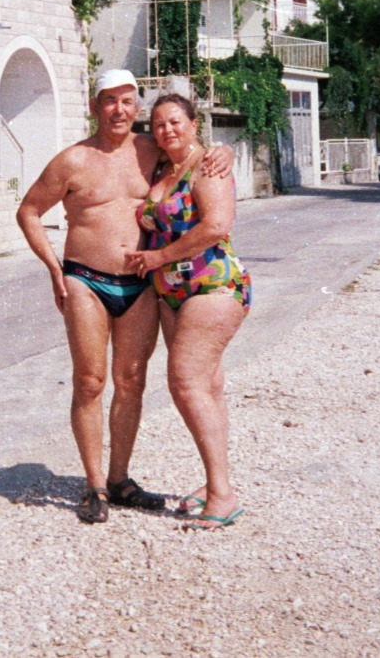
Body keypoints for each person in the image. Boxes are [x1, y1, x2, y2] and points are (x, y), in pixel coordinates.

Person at [16, 70, 232, 524]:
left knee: (132, 381)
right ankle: (93, 484)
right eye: (109, 101)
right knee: (90, 382)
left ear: (136, 107)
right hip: (85, 280)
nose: (119, 110)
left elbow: (191, 154)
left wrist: (224, 151)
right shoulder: (72, 161)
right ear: (95, 106)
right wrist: (55, 271)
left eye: (128, 101)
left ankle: (120, 479)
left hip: (139, 285)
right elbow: (30, 211)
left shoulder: (151, 149)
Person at [124, 93, 252, 531]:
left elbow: (217, 225)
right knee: (208, 388)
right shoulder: (161, 169)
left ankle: (223, 496)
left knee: (185, 380)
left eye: (175, 122)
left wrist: (160, 259)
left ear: (194, 124)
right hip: (171, 293)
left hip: (212, 284)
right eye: (158, 124)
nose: (167, 130)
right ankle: (217, 483)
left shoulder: (208, 165)